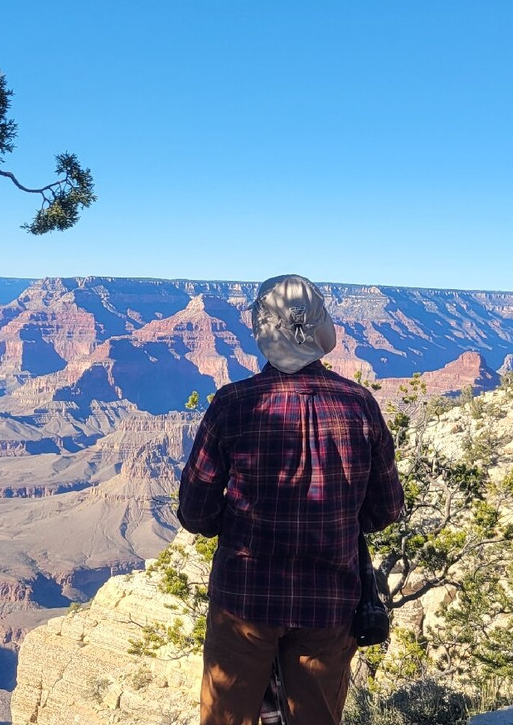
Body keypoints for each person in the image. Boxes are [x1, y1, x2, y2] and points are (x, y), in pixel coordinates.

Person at [178, 274, 405, 725]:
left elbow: (195, 511)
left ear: (263, 332)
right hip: (328, 604)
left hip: (244, 601)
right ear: (319, 331)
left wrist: (242, 522)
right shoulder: (360, 405)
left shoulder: (232, 404)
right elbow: (385, 510)